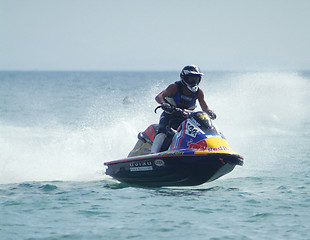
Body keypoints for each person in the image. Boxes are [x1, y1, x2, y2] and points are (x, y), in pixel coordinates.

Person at [151, 65, 216, 153]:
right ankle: (153, 154)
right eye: (191, 78)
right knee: (162, 132)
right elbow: (159, 96)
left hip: (186, 119)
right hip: (169, 116)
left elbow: (205, 107)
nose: (194, 81)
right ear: (184, 77)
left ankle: (207, 149)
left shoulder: (199, 92)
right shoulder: (174, 87)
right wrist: (164, 104)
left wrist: (209, 112)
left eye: (196, 79)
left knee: (199, 132)